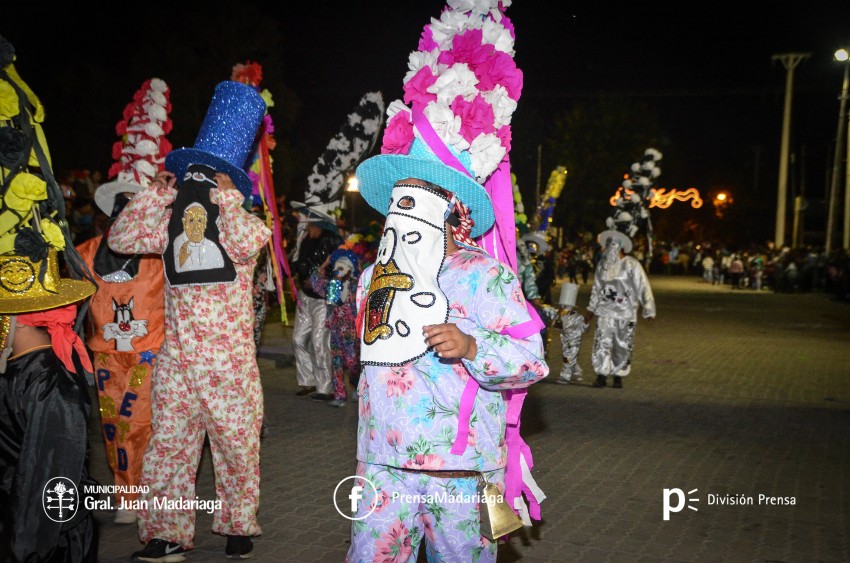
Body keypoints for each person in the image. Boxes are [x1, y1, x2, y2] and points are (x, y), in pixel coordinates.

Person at [108, 81, 270, 561]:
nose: (197, 185)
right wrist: (156, 196)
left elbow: (252, 241)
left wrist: (226, 202)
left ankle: (239, 526)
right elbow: (122, 237)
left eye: (209, 177)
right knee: (169, 452)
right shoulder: (168, 223)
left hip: (229, 367)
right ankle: (165, 535)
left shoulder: (240, 225)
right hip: (177, 362)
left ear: (226, 184)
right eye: (192, 176)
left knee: (237, 449)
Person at [75, 76, 170, 525]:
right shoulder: (86, 254)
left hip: (149, 354)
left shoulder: (161, 256)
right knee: (114, 430)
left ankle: (149, 493)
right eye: (121, 208)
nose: (127, 216)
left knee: (146, 426)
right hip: (105, 358)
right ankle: (126, 496)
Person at [0, 247, 99, 563]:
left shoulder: (52, 384)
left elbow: (48, 480)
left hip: (44, 540)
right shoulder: (14, 366)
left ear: (18, 320)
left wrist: (24, 551)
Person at [586, 229, 655, 389]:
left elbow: (643, 286)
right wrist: (591, 309)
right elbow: (597, 288)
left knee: (622, 344)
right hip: (604, 311)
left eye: (614, 245)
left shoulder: (631, 265)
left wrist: (648, 308)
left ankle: (618, 375)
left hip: (626, 312)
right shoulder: (603, 265)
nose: (610, 249)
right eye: (608, 245)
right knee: (602, 342)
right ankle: (601, 375)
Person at [290, 206, 342, 400]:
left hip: (323, 299)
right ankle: (307, 381)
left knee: (320, 342)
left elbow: (341, 266)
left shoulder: (332, 241)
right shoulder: (305, 240)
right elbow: (300, 264)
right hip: (305, 297)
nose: (307, 225)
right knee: (298, 339)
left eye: (311, 222)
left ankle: (325, 387)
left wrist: (332, 295)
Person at [309, 248, 362, 407]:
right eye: (337, 266)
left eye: (343, 267)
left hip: (351, 331)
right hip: (336, 329)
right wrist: (324, 264)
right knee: (337, 363)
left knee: (354, 364)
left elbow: (368, 284)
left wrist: (359, 269)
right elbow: (315, 282)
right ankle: (339, 395)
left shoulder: (356, 285)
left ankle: (358, 388)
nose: (339, 270)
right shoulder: (332, 286)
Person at [554, 282, 589, 384]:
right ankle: (577, 371)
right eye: (562, 305)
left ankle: (565, 376)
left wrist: (586, 322)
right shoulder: (561, 315)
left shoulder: (578, 318)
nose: (563, 307)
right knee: (570, 357)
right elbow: (558, 326)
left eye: (566, 306)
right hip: (565, 340)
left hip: (574, 341)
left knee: (568, 357)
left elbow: (584, 329)